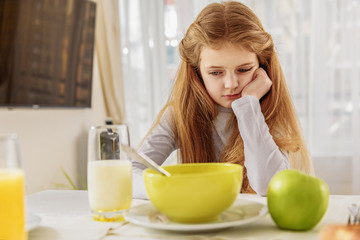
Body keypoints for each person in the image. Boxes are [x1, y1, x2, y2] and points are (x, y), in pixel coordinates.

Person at [132, 1, 313, 199]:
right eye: (216, 72)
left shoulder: (268, 110)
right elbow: (132, 172)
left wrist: (248, 104)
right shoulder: (179, 114)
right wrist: (172, 187)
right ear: (197, 72)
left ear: (262, 65)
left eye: (243, 70)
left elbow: (269, 185)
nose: (231, 84)